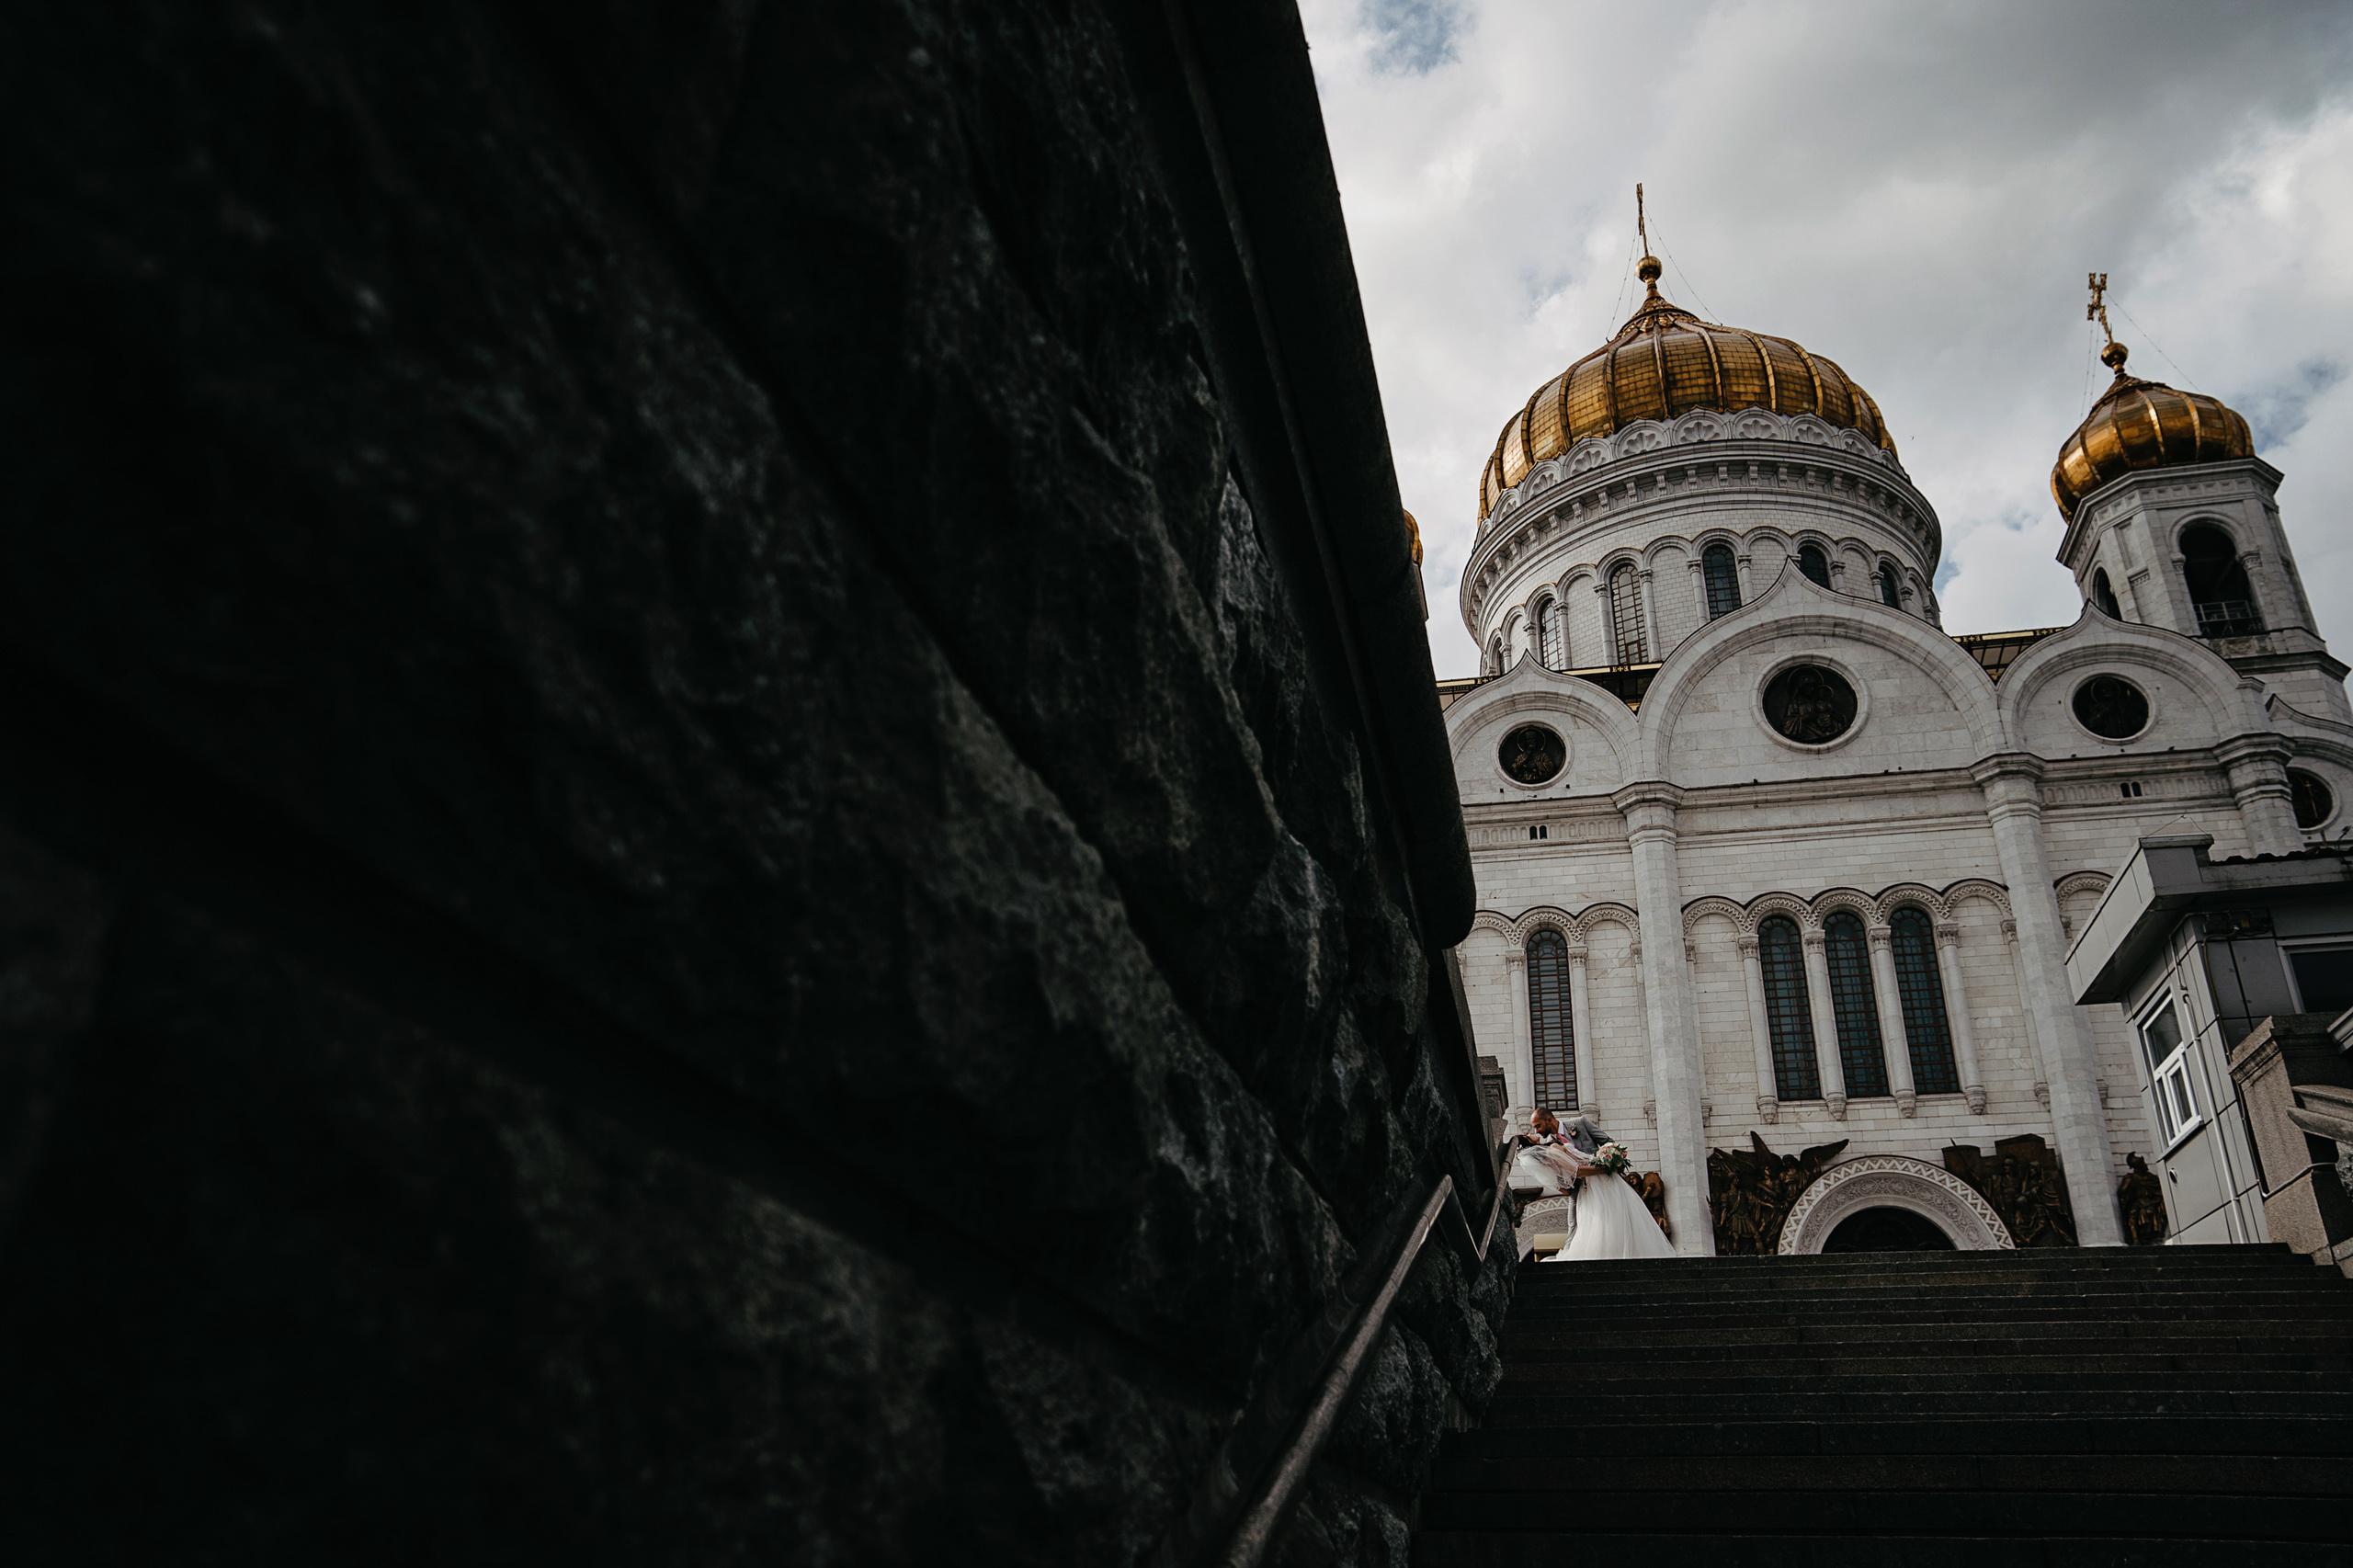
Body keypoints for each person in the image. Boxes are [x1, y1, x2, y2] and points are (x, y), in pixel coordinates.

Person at [1516, 1109, 1675, 1262]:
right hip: (1585, 1187)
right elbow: (1571, 1173)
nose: (1536, 1131)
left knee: (1621, 1217)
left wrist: (1613, 1158)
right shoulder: (1552, 1145)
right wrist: (1601, 1169)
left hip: (1605, 1181)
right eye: (1533, 1129)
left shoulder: (1580, 1123)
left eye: (1538, 1126)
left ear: (1549, 1119)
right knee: (1588, 1227)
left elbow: (1608, 1143)